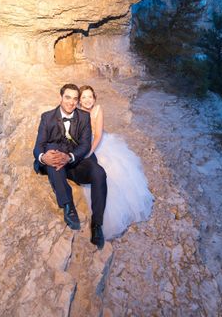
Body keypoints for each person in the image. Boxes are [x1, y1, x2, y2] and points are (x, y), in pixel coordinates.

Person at [33, 83, 108, 249]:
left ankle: (97, 225)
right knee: (52, 157)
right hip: (55, 162)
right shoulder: (47, 117)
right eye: (67, 97)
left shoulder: (84, 117)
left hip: (75, 160)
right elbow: (38, 145)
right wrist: (43, 157)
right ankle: (69, 206)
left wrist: (70, 157)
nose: (71, 102)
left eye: (75, 99)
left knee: (99, 173)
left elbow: (84, 145)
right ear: (60, 97)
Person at [78, 85, 153, 240]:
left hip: (98, 143)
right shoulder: (77, 113)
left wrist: (90, 152)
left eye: (90, 96)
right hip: (84, 144)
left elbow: (98, 135)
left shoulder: (98, 110)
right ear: (79, 100)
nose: (87, 100)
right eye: (84, 97)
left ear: (94, 98)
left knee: (115, 169)